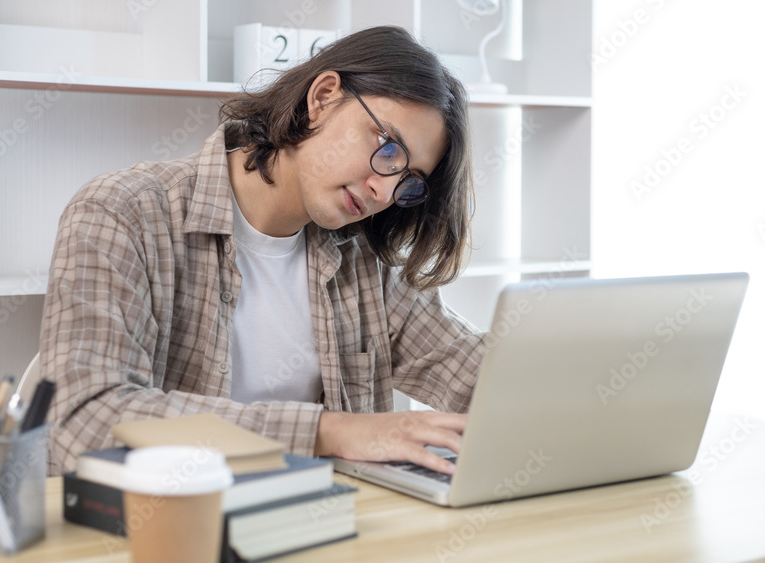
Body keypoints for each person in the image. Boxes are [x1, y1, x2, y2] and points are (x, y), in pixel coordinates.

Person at [41, 25, 487, 477]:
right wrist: (330, 432)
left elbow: (473, 374)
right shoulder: (124, 212)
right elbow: (85, 419)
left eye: (408, 180)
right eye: (387, 148)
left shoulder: (362, 256)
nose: (384, 190)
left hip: (319, 514)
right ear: (323, 98)